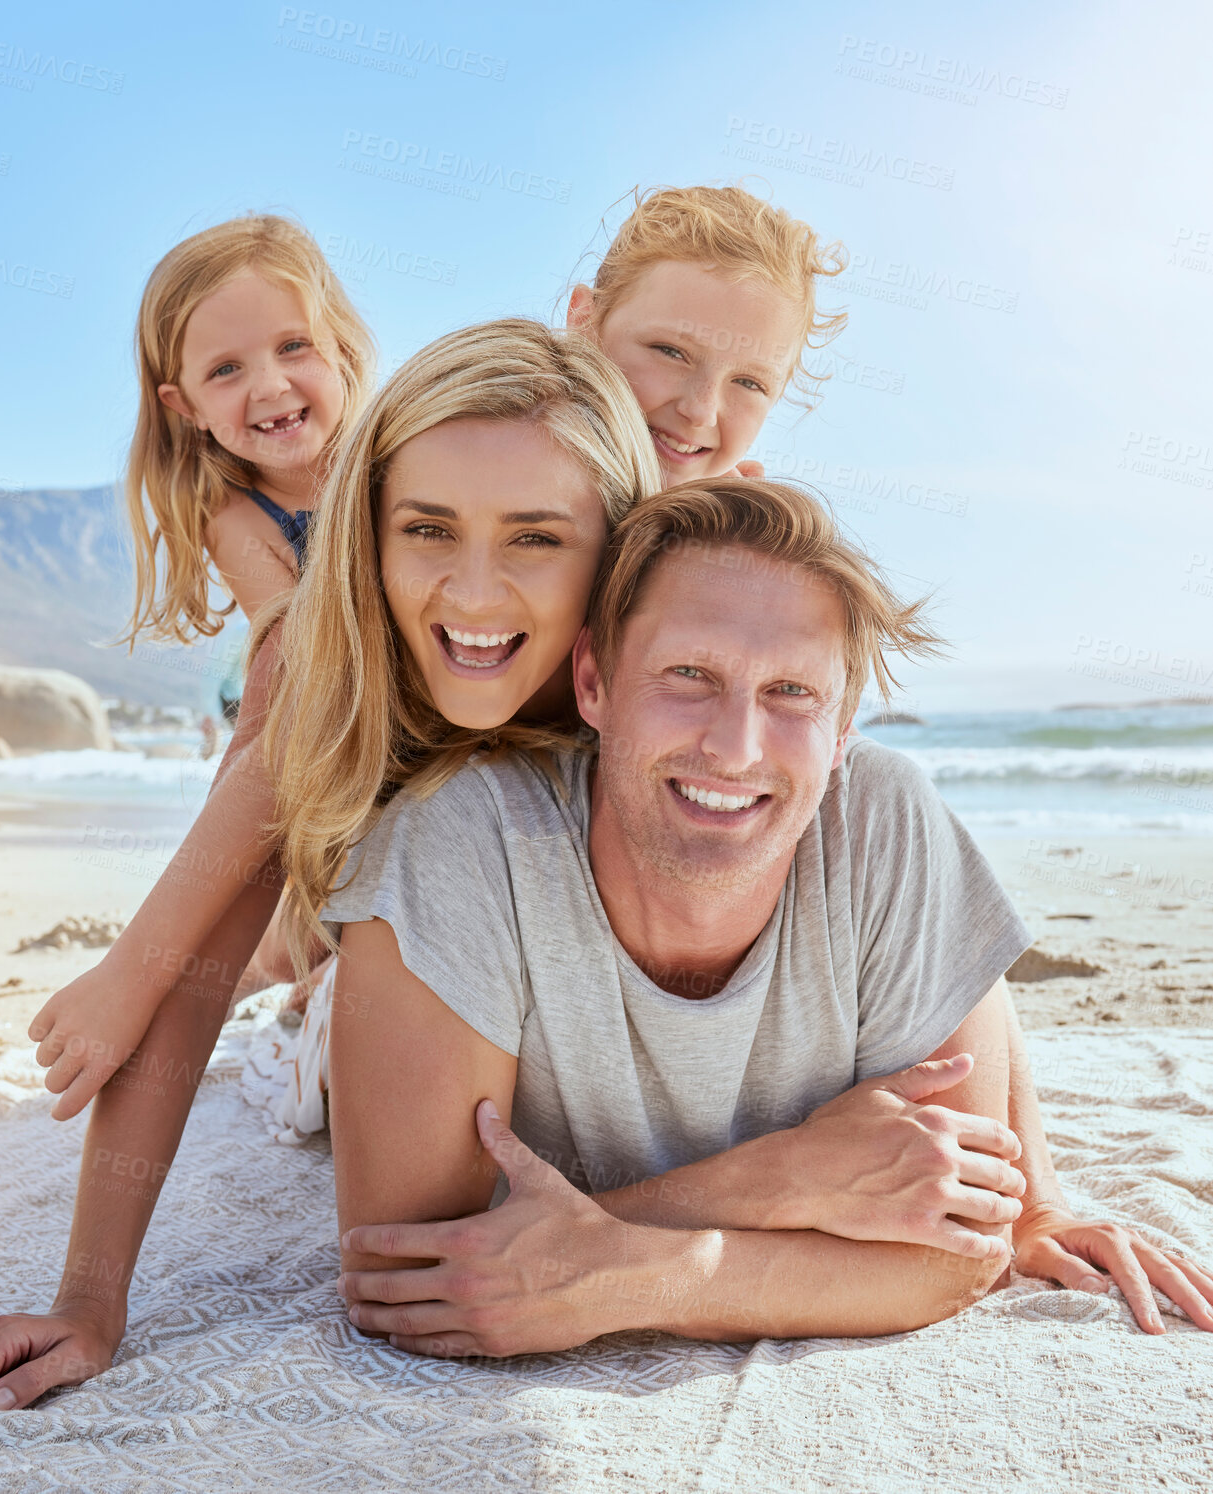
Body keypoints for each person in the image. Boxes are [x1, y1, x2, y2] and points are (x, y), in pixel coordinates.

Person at [326, 478, 1213, 1353]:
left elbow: (958, 1251)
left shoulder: (881, 813)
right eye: (687, 674)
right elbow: (414, 1278)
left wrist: (626, 1276)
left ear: (840, 729)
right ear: (593, 681)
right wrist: (782, 1178)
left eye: (790, 692)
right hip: (376, 1025)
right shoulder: (460, 842)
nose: (735, 746)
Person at [27, 183, 846, 1115]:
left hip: (524, 805)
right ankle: (297, 960)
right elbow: (293, 699)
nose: (700, 409)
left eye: (750, 384)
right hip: (369, 712)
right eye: (668, 352)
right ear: (584, 321)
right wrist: (138, 971)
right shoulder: (463, 488)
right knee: (299, 779)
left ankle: (304, 957)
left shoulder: (699, 522)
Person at [122, 211, 375, 645]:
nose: (270, 387)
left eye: (294, 346)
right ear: (186, 406)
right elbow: (306, 660)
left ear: (342, 347)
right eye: (225, 370)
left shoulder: (406, 452)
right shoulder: (235, 519)